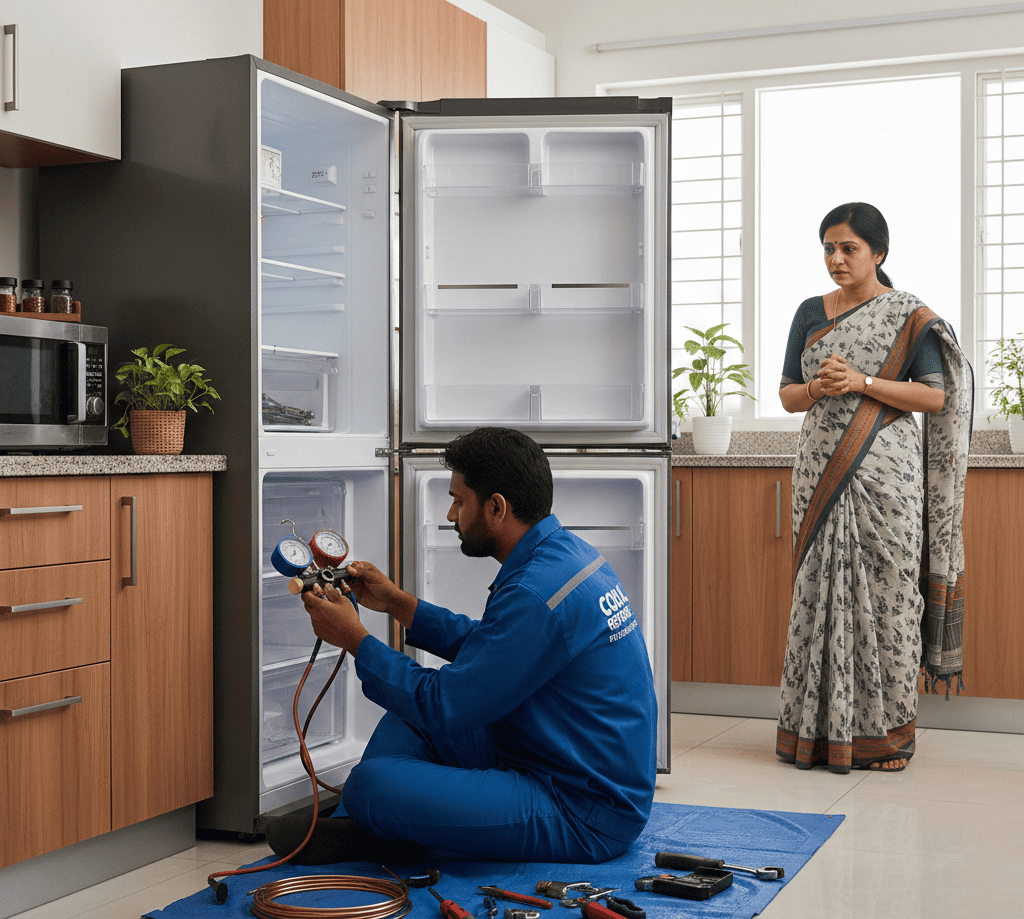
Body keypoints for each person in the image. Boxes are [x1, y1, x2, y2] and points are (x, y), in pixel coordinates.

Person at [265, 426, 658, 864]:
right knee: (408, 719)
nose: (451, 514)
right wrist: (399, 604)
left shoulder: (535, 593)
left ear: (496, 507)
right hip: (554, 749)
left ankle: (378, 819)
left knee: (370, 784)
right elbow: (497, 651)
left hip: (582, 809)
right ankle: (379, 825)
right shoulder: (564, 554)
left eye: (458, 500)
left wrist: (355, 639)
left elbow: (446, 704)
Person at [775, 202, 972, 775]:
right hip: (819, 467)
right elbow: (788, 393)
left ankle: (886, 738)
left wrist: (862, 382)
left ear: (878, 253)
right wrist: (818, 387)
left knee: (887, 599)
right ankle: (813, 734)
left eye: (849, 249)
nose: (836, 259)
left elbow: (935, 397)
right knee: (818, 596)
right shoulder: (810, 312)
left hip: (886, 474)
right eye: (829, 248)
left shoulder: (908, 316)